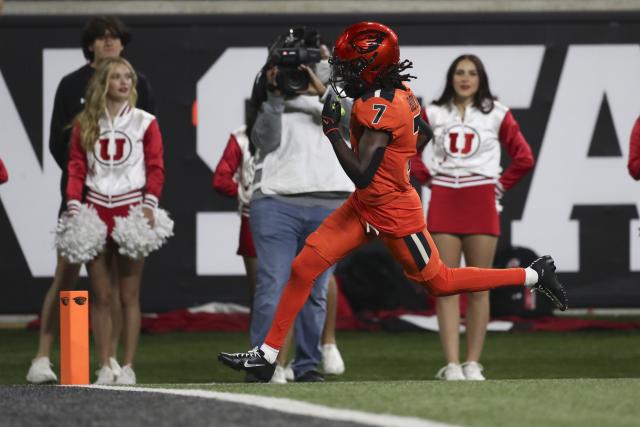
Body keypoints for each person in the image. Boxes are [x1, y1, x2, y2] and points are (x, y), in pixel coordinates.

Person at [218, 21, 568, 382]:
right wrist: (398, 165)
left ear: (371, 66)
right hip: (364, 206)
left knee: (441, 282)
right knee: (303, 267)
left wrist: (333, 132)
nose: (343, 72)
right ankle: (267, 354)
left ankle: (533, 274)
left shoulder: (382, 106)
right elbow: (424, 134)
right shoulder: (398, 91)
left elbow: (361, 173)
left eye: (351, 65)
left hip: (394, 213)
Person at [26, 16, 155, 384]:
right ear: (91, 45)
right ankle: (41, 358)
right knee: (66, 274)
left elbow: (147, 144)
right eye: (102, 38)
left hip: (125, 200)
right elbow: (57, 142)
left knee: (112, 286)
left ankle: (109, 362)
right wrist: (82, 185)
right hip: (80, 198)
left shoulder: (139, 84)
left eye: (116, 38)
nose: (110, 43)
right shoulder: (70, 85)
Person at [246, 28, 354, 383]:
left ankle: (306, 366)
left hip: (330, 200)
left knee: (315, 290)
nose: (302, 68)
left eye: (312, 59)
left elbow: (355, 121)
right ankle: (264, 365)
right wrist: (275, 95)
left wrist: (323, 87)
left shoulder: (338, 90)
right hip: (276, 199)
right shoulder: (267, 89)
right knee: (273, 283)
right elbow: (265, 141)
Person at [419, 54, 535, 381]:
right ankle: (452, 364)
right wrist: (430, 180)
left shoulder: (497, 113)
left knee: (480, 286)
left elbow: (524, 157)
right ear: (451, 77)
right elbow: (408, 154)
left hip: (481, 198)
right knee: (445, 285)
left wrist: (497, 188)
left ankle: (472, 362)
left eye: (472, 73)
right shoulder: (433, 112)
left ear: (481, 78)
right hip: (443, 199)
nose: (465, 78)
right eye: (459, 72)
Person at [65, 57, 164, 384]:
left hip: (130, 209)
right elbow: (76, 168)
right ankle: (105, 363)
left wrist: (150, 203)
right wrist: (74, 206)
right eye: (117, 77)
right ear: (103, 83)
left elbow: (156, 166)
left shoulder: (144, 122)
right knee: (101, 295)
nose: (124, 83)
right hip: (94, 209)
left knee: (128, 295)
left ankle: (129, 365)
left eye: (128, 77)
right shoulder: (85, 121)